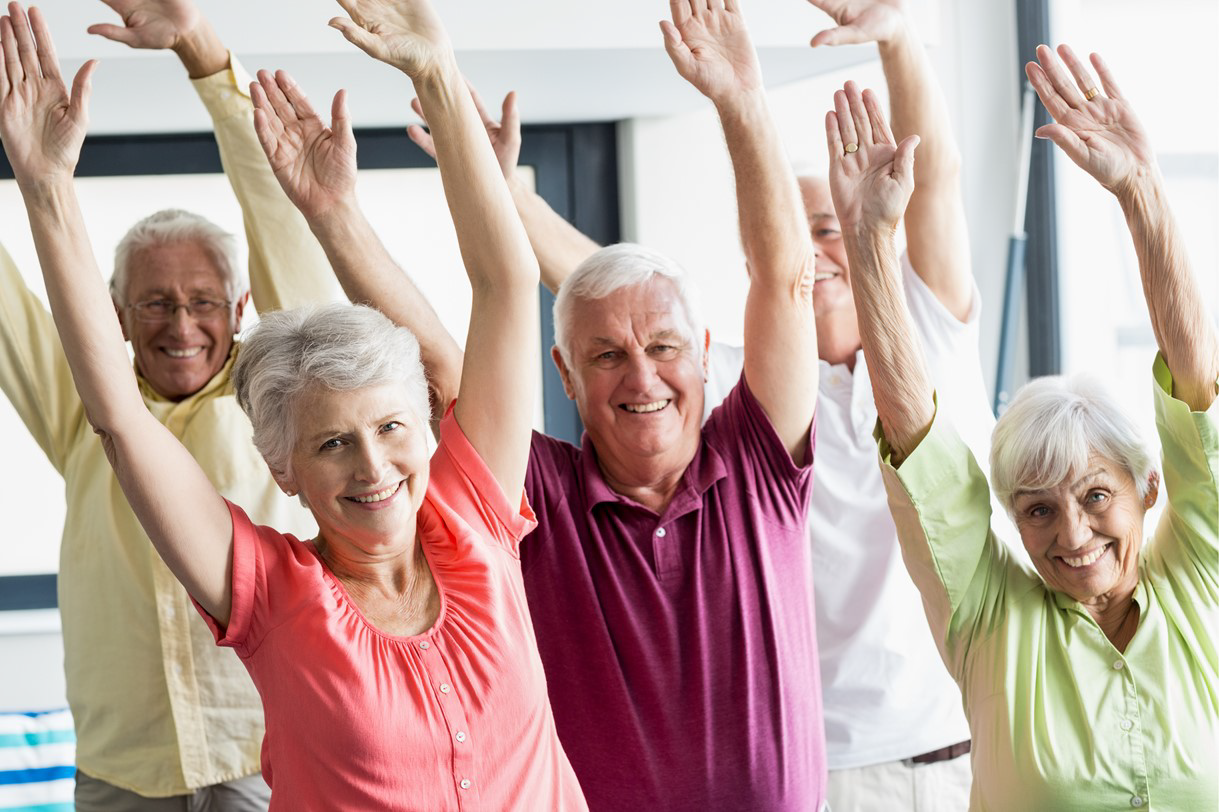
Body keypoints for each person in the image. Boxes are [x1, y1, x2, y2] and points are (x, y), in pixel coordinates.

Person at [0, 0, 588, 808]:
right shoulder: (276, 594)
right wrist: (44, 190)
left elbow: (506, 281)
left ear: (425, 428)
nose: (373, 464)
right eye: (332, 446)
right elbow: (119, 419)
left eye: (389, 428)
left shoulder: (474, 519)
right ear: (282, 471)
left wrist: (436, 72)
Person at [406, 1, 988, 805]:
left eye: (832, 226)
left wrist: (898, 38)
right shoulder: (744, 393)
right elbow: (609, 300)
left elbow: (938, 181)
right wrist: (505, 191)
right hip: (826, 752)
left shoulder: (929, 333)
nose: (818, 247)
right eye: (804, 228)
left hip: (947, 740)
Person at [266, 1, 825, 808]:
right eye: (606, 355)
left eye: (663, 347)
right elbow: (431, 356)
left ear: (705, 355)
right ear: (565, 375)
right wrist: (334, 216)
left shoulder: (757, 463)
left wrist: (741, 98)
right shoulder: (536, 495)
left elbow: (785, 277)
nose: (641, 378)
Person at [826, 49, 1218, 810]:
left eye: (1095, 496)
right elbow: (917, 442)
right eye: (1036, 508)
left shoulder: (1198, 579)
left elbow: (1197, 390)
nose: (1071, 534)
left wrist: (1139, 190)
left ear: (1147, 488)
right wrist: (870, 243)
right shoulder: (989, 620)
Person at [0, 0, 337, 806]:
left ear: (240, 307)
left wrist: (202, 53)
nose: (181, 324)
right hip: (122, 775)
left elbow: (281, 219)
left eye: (201, 301)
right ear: (116, 315)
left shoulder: (281, 403)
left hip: (268, 758)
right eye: (154, 303)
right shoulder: (84, 408)